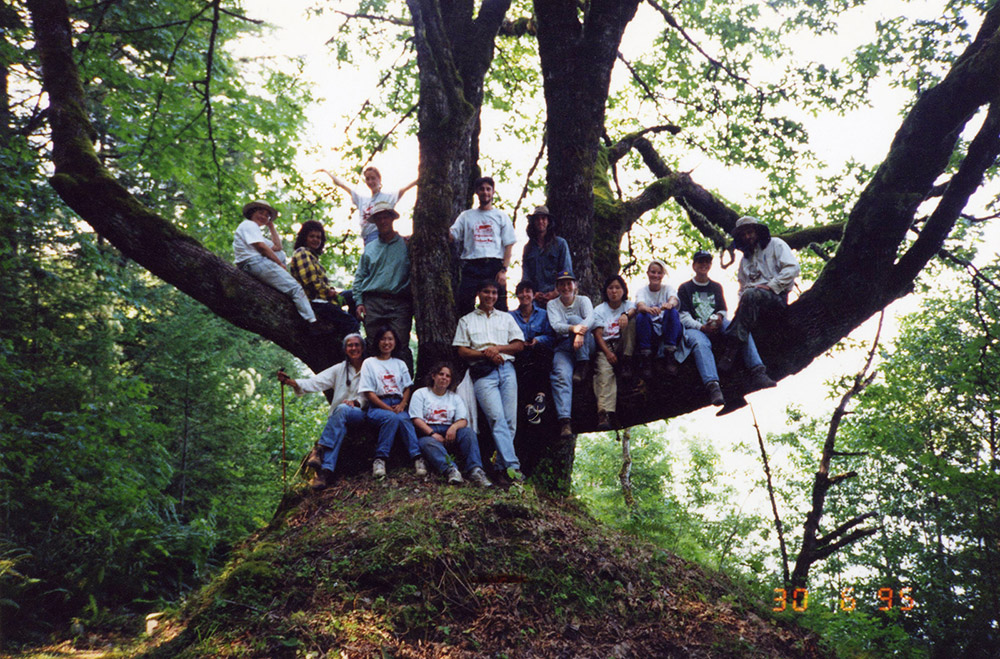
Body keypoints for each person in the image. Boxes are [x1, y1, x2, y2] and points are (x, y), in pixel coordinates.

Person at [677, 251, 776, 408]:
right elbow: (683, 316)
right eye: (700, 262)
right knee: (701, 344)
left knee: (740, 327)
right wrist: (702, 327)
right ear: (694, 265)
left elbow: (723, 310)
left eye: (707, 262)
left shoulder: (716, 286)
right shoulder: (685, 288)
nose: (704, 265)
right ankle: (713, 386)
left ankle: (758, 370)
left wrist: (718, 319)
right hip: (695, 327)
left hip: (714, 323)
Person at [453, 280, 525, 482]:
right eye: (486, 292)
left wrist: (497, 349)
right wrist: (485, 354)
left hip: (506, 369)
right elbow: (461, 350)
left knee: (510, 421)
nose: (490, 296)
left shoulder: (506, 318)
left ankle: (502, 468)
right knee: (497, 419)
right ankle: (513, 467)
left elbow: (519, 345)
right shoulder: (466, 320)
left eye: (494, 293)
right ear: (479, 293)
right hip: (483, 373)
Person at [276, 334, 367, 490]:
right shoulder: (339, 369)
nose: (354, 348)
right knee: (339, 427)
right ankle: (324, 472)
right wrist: (291, 382)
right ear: (345, 349)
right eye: (350, 345)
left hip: (361, 414)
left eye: (357, 345)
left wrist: (357, 402)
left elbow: (374, 393)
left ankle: (319, 449)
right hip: (340, 418)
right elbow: (317, 382)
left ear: (363, 348)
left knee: (343, 409)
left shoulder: (370, 367)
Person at [719, 216, 801, 370]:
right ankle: (752, 365)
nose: (747, 237)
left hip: (776, 298)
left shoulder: (776, 244)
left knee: (751, 294)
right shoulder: (745, 260)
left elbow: (793, 268)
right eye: (743, 235)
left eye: (749, 232)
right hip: (752, 306)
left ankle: (731, 348)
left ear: (756, 231)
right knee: (747, 296)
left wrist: (771, 285)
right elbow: (742, 288)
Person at [233, 200, 318, 328]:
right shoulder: (249, 225)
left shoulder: (253, 230)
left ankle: (281, 286)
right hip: (253, 263)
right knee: (295, 288)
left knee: (281, 254)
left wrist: (271, 226)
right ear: (252, 213)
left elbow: (278, 247)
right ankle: (312, 322)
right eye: (260, 213)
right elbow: (261, 247)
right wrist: (279, 264)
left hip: (252, 264)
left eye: (267, 215)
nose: (263, 216)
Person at [352, 200, 414, 372]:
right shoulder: (370, 248)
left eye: (386, 217)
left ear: (392, 219)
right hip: (373, 303)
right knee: (373, 346)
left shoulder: (407, 245)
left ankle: (405, 391)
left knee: (400, 346)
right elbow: (359, 278)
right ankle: (373, 391)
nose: (383, 221)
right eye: (379, 218)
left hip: (399, 303)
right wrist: (359, 302)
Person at [408, 362, 493, 487]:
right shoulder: (421, 393)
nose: (444, 378)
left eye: (448, 376)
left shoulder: (454, 398)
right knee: (426, 443)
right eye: (441, 374)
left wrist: (453, 427)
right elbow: (416, 419)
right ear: (433, 376)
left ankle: (476, 470)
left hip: (449, 431)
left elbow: (463, 420)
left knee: (468, 433)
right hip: (428, 432)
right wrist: (432, 434)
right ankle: (451, 470)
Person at [358, 326, 425, 479]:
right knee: (391, 417)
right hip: (378, 405)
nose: (386, 342)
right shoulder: (369, 363)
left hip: (398, 403)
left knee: (404, 419)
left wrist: (402, 405)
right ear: (377, 342)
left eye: (390, 339)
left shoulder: (400, 363)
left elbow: (407, 387)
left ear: (395, 342)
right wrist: (387, 408)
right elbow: (369, 393)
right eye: (383, 339)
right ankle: (380, 459)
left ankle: (417, 458)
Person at [449, 176, 516, 316]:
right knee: (464, 304)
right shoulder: (466, 216)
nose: (485, 192)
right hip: (472, 266)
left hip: (494, 265)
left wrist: (504, 270)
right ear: (476, 192)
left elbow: (509, 244)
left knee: (500, 307)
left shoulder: (501, 216)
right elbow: (452, 235)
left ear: (493, 192)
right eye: (481, 189)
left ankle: (502, 337)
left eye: (488, 189)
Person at [289, 220, 360, 338]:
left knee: (354, 295)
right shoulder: (302, 252)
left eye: (318, 237)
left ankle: (343, 326)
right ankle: (352, 341)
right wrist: (329, 292)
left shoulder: (313, 256)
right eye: (312, 236)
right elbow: (310, 281)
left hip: (324, 298)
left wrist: (331, 292)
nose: (316, 240)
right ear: (304, 237)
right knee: (350, 323)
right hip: (315, 302)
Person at [547, 270, 594, 439]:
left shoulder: (583, 300)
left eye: (569, 283)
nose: (566, 287)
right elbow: (556, 325)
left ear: (575, 285)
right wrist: (573, 329)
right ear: (557, 287)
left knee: (575, 319)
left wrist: (579, 332)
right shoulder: (553, 304)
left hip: (587, 345)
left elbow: (590, 319)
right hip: (565, 346)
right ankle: (565, 420)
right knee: (560, 374)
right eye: (562, 284)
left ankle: (583, 365)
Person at [317, 167, 417, 245]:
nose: (370, 182)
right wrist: (327, 172)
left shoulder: (388, 197)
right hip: (367, 237)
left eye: (373, 178)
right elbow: (342, 185)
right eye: (367, 179)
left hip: (379, 235)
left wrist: (419, 180)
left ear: (379, 179)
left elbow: (405, 189)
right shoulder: (362, 200)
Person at [591, 275, 636, 431]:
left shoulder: (629, 305)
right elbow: (597, 334)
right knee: (603, 373)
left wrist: (626, 315)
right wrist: (607, 353)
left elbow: (635, 309)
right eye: (611, 288)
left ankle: (627, 361)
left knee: (632, 322)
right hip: (607, 346)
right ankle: (605, 412)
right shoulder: (600, 309)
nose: (614, 291)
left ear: (623, 290)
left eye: (617, 287)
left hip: (624, 344)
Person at [509, 280, 555, 424]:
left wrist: (537, 340)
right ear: (517, 295)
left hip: (539, 354)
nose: (524, 295)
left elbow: (551, 336)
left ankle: (540, 395)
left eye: (528, 291)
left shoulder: (543, 314)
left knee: (541, 353)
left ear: (534, 295)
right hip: (520, 354)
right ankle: (529, 406)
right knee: (518, 371)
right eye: (521, 292)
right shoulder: (510, 316)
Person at [633, 259, 683, 378]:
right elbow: (640, 305)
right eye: (653, 272)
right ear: (648, 273)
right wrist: (647, 309)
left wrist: (669, 304)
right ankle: (646, 356)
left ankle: (670, 353)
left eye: (659, 273)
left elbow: (674, 299)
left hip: (668, 328)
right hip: (651, 330)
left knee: (673, 312)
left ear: (663, 275)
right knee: (642, 316)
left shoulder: (667, 288)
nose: (656, 275)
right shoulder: (642, 291)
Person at [521, 205, 572, 306]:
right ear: (533, 222)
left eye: (543, 218)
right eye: (537, 219)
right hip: (535, 299)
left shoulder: (560, 244)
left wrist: (556, 292)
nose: (540, 222)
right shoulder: (528, 248)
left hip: (559, 297)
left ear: (548, 221)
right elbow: (526, 276)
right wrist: (533, 293)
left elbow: (567, 272)